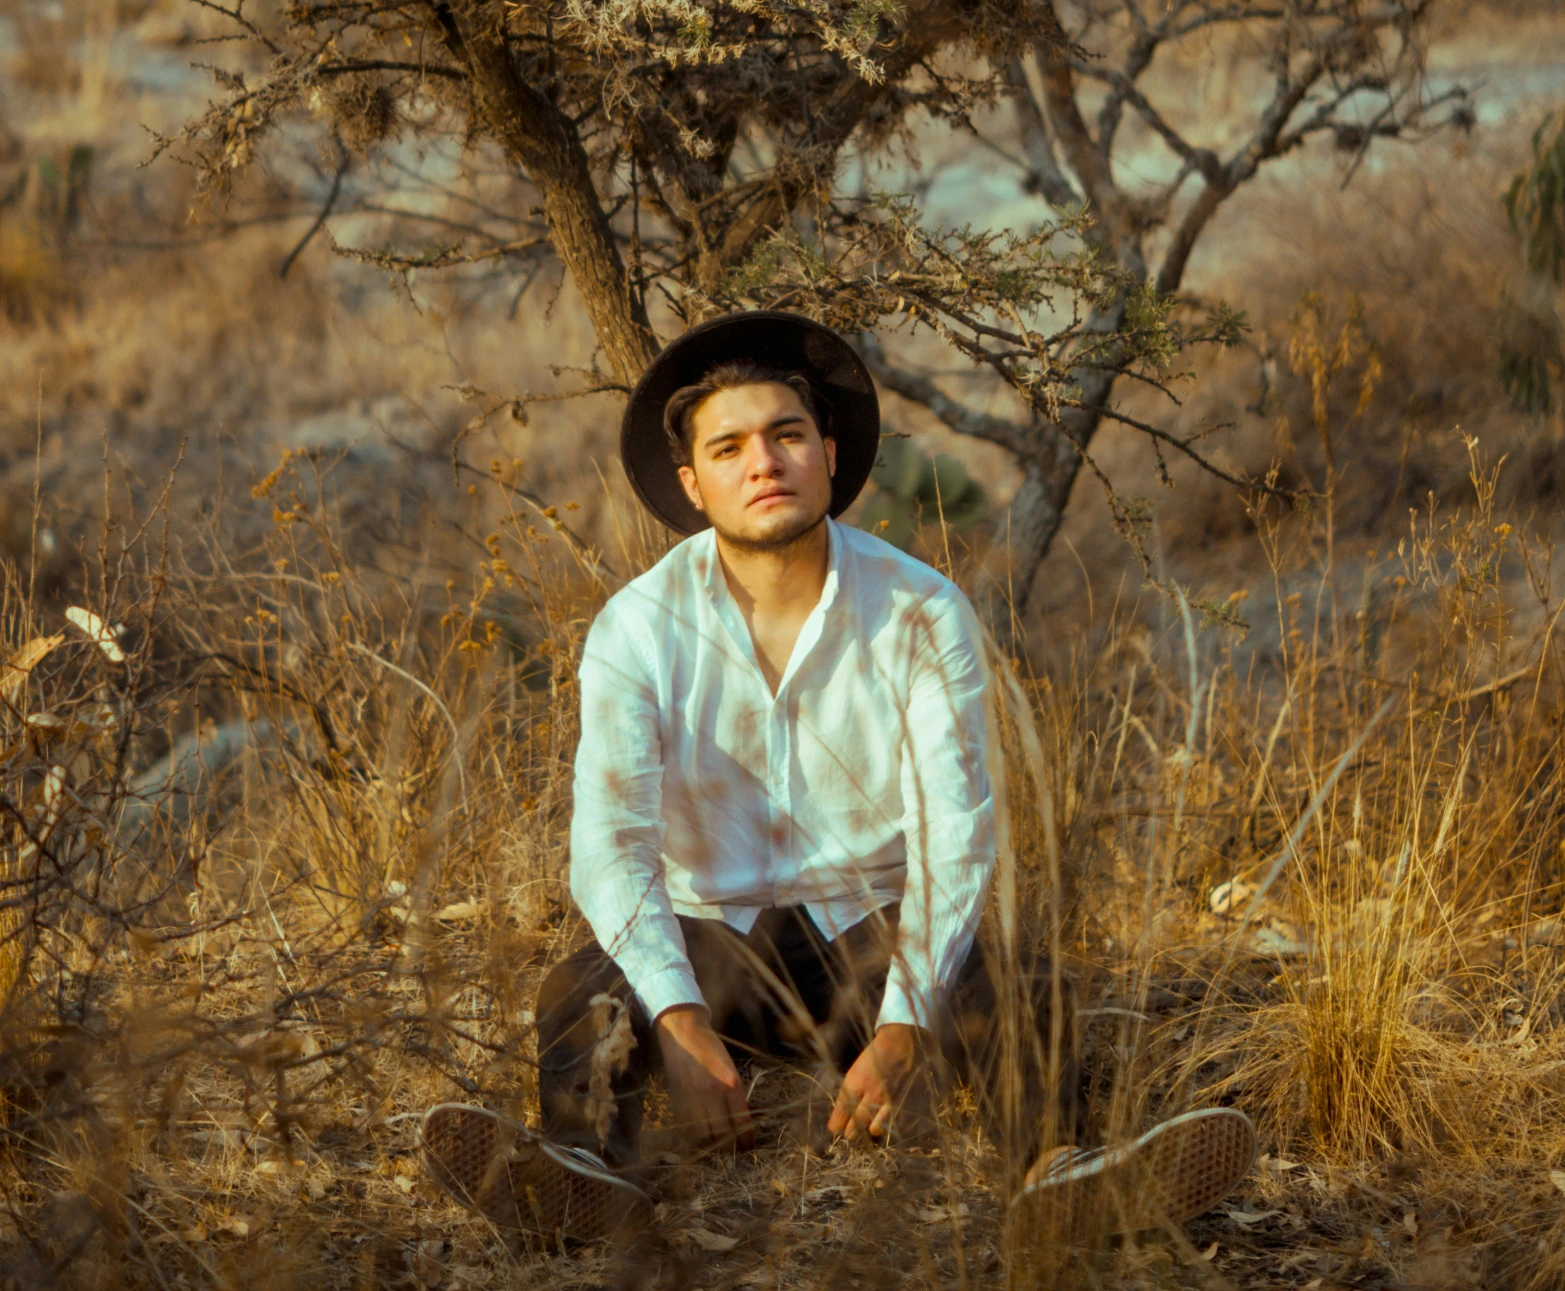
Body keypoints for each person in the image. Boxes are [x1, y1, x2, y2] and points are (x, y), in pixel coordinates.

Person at [421, 310, 1255, 1249]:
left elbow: (956, 831)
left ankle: (1062, 1177)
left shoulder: (921, 610)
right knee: (581, 990)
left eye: (784, 435)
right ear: (694, 485)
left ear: (826, 451)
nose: (762, 462)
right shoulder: (636, 626)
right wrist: (683, 1023)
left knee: (1013, 975)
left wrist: (904, 1025)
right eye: (729, 447)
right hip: (714, 946)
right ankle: (579, 1180)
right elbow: (611, 847)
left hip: (867, 933)